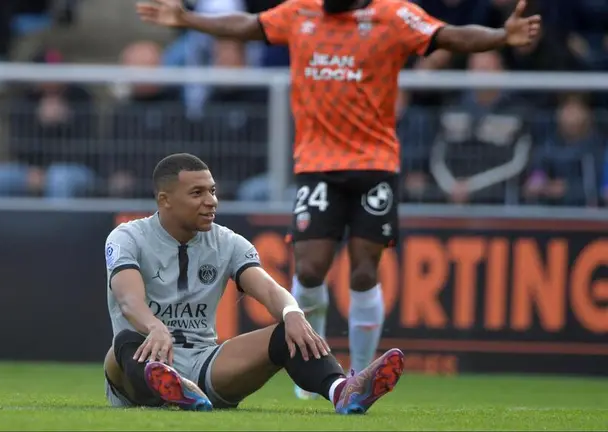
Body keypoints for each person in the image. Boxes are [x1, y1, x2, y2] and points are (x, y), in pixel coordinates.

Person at [136, 0, 541, 399]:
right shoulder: (302, 12)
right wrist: (187, 18)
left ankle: (359, 374)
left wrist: (502, 36)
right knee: (310, 269)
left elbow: (450, 36)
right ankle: (309, 363)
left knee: (364, 272)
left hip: (374, 164)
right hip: (318, 165)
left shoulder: (393, 15)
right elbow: (248, 25)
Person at [103, 153, 404, 414]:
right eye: (197, 193)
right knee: (126, 341)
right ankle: (168, 385)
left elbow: (270, 290)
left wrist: (291, 313)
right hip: (140, 362)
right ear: (164, 199)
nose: (211, 202)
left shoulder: (228, 242)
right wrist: (155, 327)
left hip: (204, 363)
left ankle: (343, 390)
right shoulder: (128, 237)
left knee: (290, 330)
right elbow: (129, 301)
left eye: (213, 191)